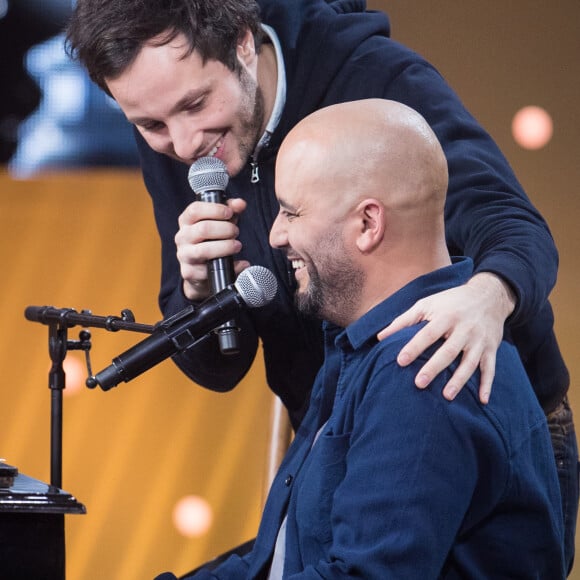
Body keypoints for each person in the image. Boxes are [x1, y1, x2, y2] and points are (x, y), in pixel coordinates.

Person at [64, 0, 578, 570]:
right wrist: (202, 296)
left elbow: (509, 223)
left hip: (448, 395)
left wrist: (489, 298)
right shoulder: (174, 122)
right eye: (151, 125)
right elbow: (221, 368)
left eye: (195, 104)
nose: (183, 145)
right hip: (331, 423)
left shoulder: (376, 80)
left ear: (240, 41)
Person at [157, 99, 565, 579]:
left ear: (368, 224)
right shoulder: (364, 348)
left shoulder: (422, 369)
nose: (276, 234)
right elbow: (275, 562)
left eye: (291, 212)